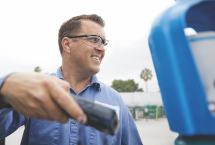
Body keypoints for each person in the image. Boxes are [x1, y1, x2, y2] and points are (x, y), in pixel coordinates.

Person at [0, 14, 143, 145]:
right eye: (94, 39)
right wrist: (4, 91)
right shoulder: (37, 91)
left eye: (103, 43)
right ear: (67, 45)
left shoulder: (116, 101)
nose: (102, 49)